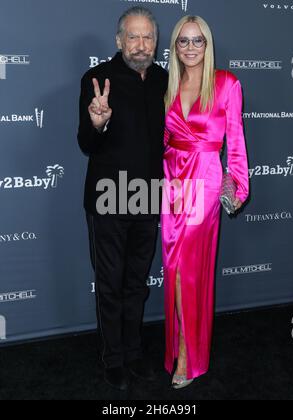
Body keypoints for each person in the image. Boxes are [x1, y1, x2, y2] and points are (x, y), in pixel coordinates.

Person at [77, 7, 168, 391]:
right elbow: (85, 143)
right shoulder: (97, 78)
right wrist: (97, 123)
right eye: (133, 36)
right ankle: (112, 359)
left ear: (156, 42)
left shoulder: (165, 78)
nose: (141, 45)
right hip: (109, 197)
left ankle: (133, 353)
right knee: (110, 284)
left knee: (136, 283)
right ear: (118, 41)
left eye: (147, 37)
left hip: (149, 195)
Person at [162, 15, 249, 389]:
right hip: (170, 179)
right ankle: (183, 346)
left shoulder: (226, 83)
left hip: (206, 178)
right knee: (172, 266)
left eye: (198, 41)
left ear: (208, 44)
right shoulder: (169, 85)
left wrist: (238, 186)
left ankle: (186, 353)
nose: (191, 48)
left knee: (186, 268)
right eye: (184, 41)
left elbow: (237, 141)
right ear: (175, 46)